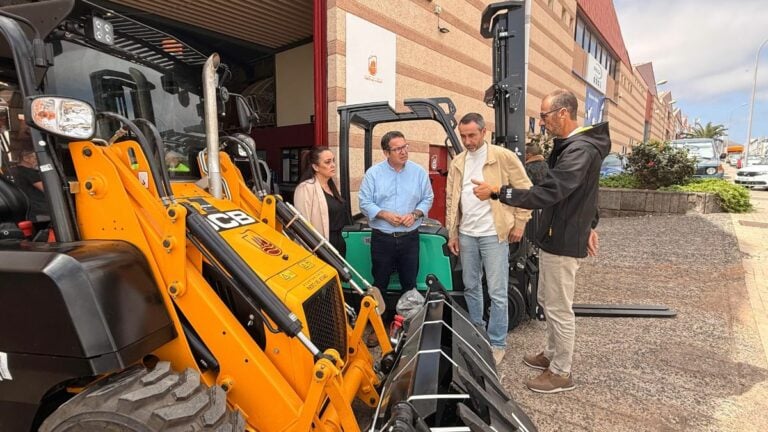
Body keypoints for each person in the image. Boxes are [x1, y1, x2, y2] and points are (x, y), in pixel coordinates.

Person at [472, 89, 609, 393]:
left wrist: (500, 192)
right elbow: (586, 195)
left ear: (563, 113)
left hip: (562, 241)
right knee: (547, 301)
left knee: (559, 307)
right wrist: (591, 224)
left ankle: (561, 372)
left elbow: (550, 191)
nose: (543, 121)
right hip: (555, 236)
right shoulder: (571, 147)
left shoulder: (580, 150)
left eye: (545, 115)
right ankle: (550, 354)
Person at [445, 113, 532, 365]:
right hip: (467, 234)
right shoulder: (458, 161)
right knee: (471, 286)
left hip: (494, 233)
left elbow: (524, 189)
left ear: (484, 132)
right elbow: (452, 199)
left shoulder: (502, 157)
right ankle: (477, 333)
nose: (467, 140)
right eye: (463, 136)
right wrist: (453, 232)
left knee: (497, 290)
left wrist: (520, 221)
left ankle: (497, 342)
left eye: (472, 135)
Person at [359, 131, 433, 292]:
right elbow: (364, 202)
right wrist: (384, 215)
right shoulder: (373, 174)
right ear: (386, 152)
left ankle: (409, 317)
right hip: (382, 239)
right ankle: (380, 316)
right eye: (398, 149)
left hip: (410, 239)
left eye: (405, 147)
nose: (404, 152)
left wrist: (414, 215)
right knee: (380, 282)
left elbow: (428, 198)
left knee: (410, 283)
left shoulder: (419, 172)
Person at [293, 147, 350, 256]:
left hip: (339, 244)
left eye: (333, 160)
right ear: (315, 167)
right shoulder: (306, 188)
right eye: (328, 162)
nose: (333, 165)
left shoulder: (331, 186)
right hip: (320, 247)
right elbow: (303, 225)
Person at [10, 149, 49, 222]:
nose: (36, 161)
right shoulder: (30, 172)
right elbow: (47, 189)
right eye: (35, 158)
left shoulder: (14, 171)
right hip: (40, 210)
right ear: (25, 159)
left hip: (28, 209)